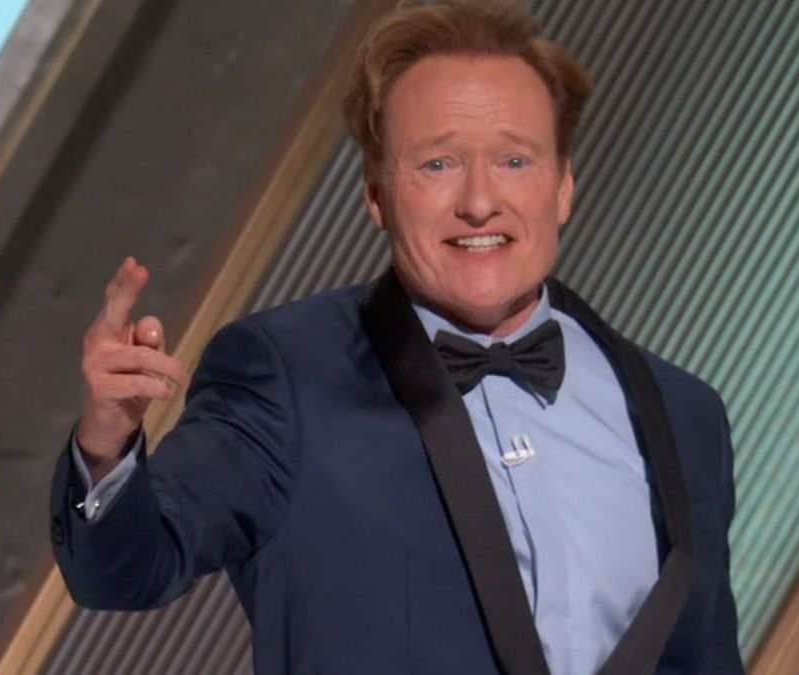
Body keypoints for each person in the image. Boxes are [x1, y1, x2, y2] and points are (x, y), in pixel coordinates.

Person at [49, 1, 743, 673]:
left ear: (563, 186)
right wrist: (108, 443)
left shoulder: (687, 414)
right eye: (437, 164)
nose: (479, 200)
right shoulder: (284, 377)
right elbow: (128, 568)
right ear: (377, 192)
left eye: (515, 161)